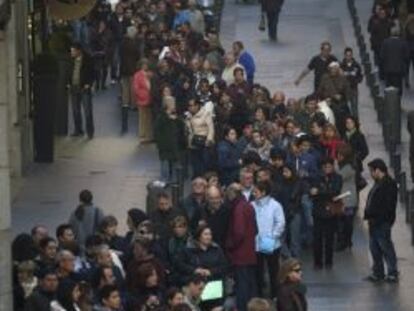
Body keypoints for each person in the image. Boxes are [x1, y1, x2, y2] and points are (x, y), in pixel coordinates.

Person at [364, 159, 399, 283]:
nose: (371, 174)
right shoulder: (378, 182)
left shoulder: (388, 184)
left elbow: (388, 205)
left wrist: (382, 218)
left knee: (386, 247)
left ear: (378, 170)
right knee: (375, 248)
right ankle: (378, 273)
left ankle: (392, 272)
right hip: (374, 221)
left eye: (371, 171)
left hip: (381, 222)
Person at [177, 225, 227, 310]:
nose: (208, 237)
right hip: (196, 287)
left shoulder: (216, 249)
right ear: (199, 236)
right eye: (206, 234)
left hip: (214, 286)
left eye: (210, 234)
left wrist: (211, 271)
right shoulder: (188, 249)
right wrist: (195, 270)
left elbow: (224, 266)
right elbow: (180, 265)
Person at [225, 183, 257, 311]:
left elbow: (239, 232)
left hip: (240, 254)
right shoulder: (248, 206)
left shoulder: (238, 208)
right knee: (250, 284)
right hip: (250, 252)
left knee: (242, 286)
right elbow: (256, 229)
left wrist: (230, 245)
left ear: (232, 193)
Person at [253, 181, 285, 298]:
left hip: (272, 243)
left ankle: (275, 295)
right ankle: (259, 295)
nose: (254, 193)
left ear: (263, 192)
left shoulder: (275, 205)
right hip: (256, 244)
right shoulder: (252, 205)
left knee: (273, 271)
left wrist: (272, 237)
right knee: (258, 271)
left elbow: (280, 223)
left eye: (256, 191)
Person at [310, 158, 342, 269]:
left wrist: (319, 192)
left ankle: (329, 262)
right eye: (325, 167)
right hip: (318, 212)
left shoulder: (338, 178)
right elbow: (312, 194)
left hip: (331, 212)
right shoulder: (316, 178)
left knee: (329, 239)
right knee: (317, 239)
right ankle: (317, 262)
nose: (327, 169)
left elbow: (336, 192)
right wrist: (325, 193)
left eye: (329, 166)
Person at [154, 95, 186, 182]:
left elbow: (181, 127)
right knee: (165, 164)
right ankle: (165, 180)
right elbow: (157, 131)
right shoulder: (161, 117)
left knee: (176, 164)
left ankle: (176, 181)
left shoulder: (176, 116)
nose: (174, 105)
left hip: (175, 145)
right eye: (172, 104)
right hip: (165, 146)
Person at [69, 42, 95, 139]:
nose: (71, 53)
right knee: (75, 111)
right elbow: (69, 71)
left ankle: (90, 132)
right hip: (74, 87)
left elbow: (93, 72)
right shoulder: (71, 60)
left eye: (73, 51)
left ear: (79, 51)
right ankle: (78, 130)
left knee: (87, 111)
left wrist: (89, 84)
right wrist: (68, 83)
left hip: (84, 87)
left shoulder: (88, 59)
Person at [336, 144, 358, 251]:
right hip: (342, 198)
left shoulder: (348, 167)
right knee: (342, 221)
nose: (338, 157)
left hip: (348, 199)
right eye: (338, 154)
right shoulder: (343, 165)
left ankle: (346, 241)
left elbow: (338, 177)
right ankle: (345, 241)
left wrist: (334, 165)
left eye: (341, 155)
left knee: (347, 222)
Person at [185, 98, 215, 178]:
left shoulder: (205, 114)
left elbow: (211, 128)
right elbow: (188, 129)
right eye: (190, 106)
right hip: (193, 141)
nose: (191, 107)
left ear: (197, 105)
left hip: (204, 142)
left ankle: (203, 177)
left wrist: (209, 140)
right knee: (195, 162)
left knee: (203, 162)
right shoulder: (188, 116)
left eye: (193, 105)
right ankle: (196, 177)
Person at [380, 27, 409, 95]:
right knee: (398, 86)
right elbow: (407, 56)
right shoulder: (403, 42)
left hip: (388, 69)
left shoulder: (385, 42)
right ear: (398, 33)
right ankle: (397, 101)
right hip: (399, 69)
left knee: (389, 86)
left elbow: (382, 56)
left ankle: (390, 102)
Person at [133, 58, 155, 144]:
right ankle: (143, 136)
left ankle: (149, 135)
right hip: (142, 99)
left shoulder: (150, 74)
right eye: (143, 64)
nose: (145, 66)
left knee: (149, 118)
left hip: (150, 99)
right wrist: (141, 96)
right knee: (142, 119)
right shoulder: (137, 75)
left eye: (146, 65)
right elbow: (136, 88)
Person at [341, 47, 363, 117]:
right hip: (344, 90)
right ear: (344, 55)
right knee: (345, 108)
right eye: (347, 55)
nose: (348, 57)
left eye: (350, 55)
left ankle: (356, 124)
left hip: (353, 89)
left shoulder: (356, 65)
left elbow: (360, 76)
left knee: (354, 108)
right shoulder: (341, 66)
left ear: (352, 55)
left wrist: (356, 81)